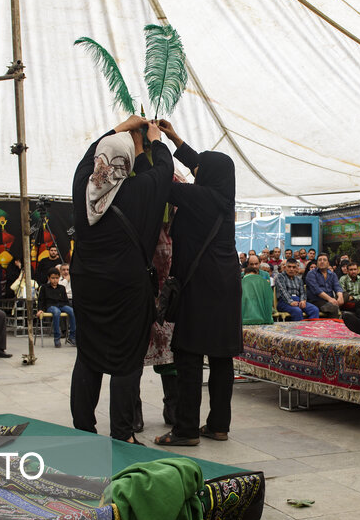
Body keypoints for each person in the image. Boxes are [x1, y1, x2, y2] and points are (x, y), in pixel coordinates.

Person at [70, 116, 173, 443]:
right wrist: (152, 141)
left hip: (86, 282)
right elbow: (163, 171)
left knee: (88, 354)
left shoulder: (82, 187)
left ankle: (83, 428)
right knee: (126, 361)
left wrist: (118, 129)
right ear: (126, 162)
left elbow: (89, 155)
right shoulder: (139, 190)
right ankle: (123, 434)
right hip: (127, 284)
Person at [153, 119, 241, 447]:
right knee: (220, 357)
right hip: (226, 287)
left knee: (188, 355)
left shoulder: (200, 197)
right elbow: (202, 165)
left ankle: (186, 430)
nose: (197, 169)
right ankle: (219, 425)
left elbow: (165, 182)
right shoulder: (222, 194)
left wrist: (156, 145)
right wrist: (175, 138)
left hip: (200, 286)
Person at [36, 267, 76, 347]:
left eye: (57, 278)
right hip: (50, 306)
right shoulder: (44, 287)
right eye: (53, 278)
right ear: (49, 278)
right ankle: (57, 338)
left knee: (72, 311)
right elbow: (41, 300)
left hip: (61, 305)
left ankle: (72, 336)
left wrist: (67, 308)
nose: (55, 280)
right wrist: (40, 310)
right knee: (56, 312)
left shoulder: (62, 288)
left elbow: (66, 301)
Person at [305, 253, 343, 317]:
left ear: (328, 263)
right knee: (333, 308)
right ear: (317, 263)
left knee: (345, 295)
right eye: (320, 260)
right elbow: (316, 290)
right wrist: (330, 299)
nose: (322, 262)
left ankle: (332, 304)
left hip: (330, 299)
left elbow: (337, 286)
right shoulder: (311, 274)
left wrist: (340, 296)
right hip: (316, 300)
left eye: (324, 260)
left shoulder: (332, 274)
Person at [241, 256, 274, 325]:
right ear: (248, 265)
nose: (254, 266)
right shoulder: (242, 275)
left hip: (261, 301)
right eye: (251, 264)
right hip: (247, 302)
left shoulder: (265, 274)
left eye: (256, 264)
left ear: (260, 263)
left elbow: (267, 293)